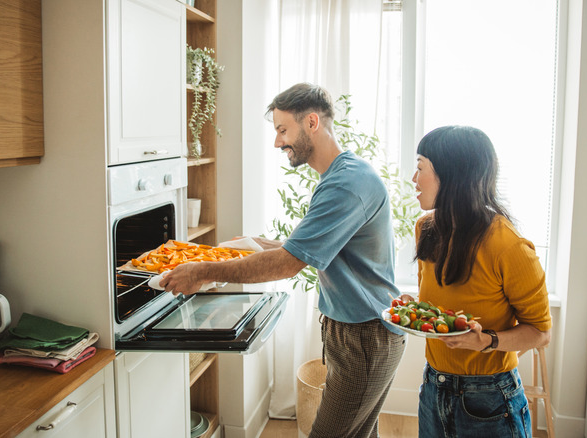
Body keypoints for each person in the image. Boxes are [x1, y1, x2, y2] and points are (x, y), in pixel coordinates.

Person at [158, 83, 406, 437]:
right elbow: (315, 248)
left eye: (282, 130)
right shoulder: (342, 175)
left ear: (312, 123)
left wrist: (203, 271)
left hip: (364, 337)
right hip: (359, 333)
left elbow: (289, 263)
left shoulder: (345, 184)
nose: (278, 142)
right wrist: (260, 244)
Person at [405, 126, 551, 438]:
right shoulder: (426, 229)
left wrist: (487, 341)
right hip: (434, 387)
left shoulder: (508, 246)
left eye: (420, 168)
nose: (413, 180)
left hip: (489, 399)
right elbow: (440, 305)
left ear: (452, 175)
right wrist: (414, 308)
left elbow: (540, 333)